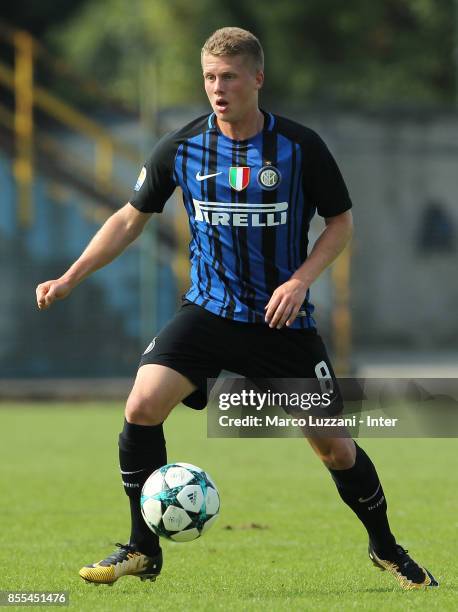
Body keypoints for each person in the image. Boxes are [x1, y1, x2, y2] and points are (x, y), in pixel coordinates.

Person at [36, 27, 437, 591]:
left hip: (281, 323)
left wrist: (300, 280)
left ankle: (386, 548)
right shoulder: (181, 147)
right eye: (208, 78)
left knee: (335, 449)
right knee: (142, 405)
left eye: (228, 77)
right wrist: (71, 276)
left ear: (257, 79)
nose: (217, 88)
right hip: (209, 311)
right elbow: (130, 218)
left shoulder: (300, 147)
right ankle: (142, 549)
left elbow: (340, 223)